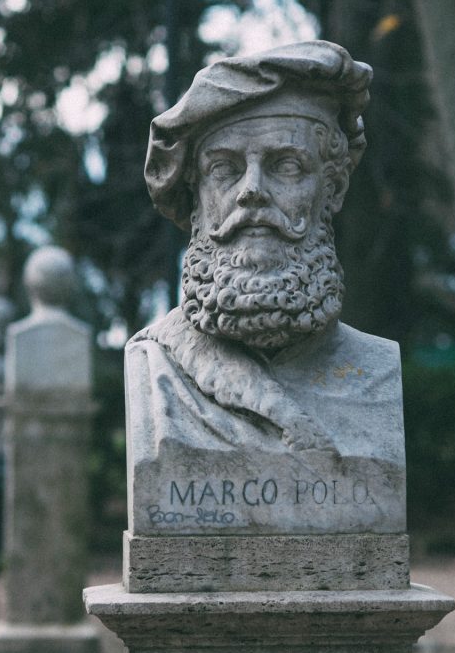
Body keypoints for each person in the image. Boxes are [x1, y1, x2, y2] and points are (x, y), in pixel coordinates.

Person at [126, 40, 403, 462]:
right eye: (225, 169)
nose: (251, 191)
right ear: (196, 196)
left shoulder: (379, 370)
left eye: (286, 165)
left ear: (333, 188)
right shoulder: (156, 366)